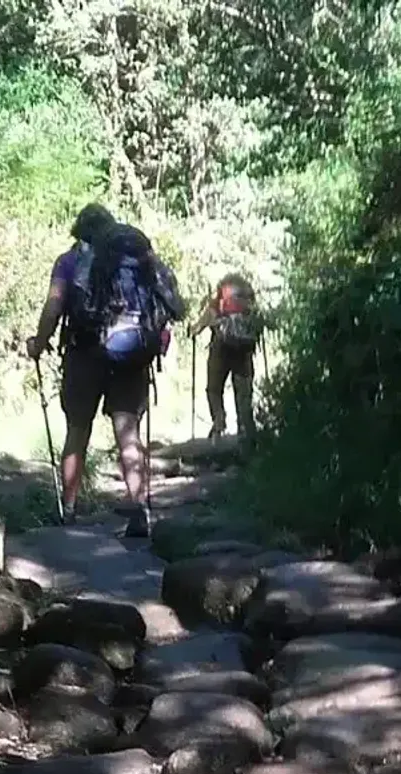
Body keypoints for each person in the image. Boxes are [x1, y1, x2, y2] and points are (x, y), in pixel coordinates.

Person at [26, 203, 186, 537]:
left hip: (85, 353)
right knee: (128, 435)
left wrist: (39, 343)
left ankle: (68, 509)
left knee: (77, 430)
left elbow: (55, 304)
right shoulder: (137, 260)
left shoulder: (69, 262)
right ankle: (140, 508)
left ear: (79, 233)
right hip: (132, 354)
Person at [188, 271, 264, 441]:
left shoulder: (217, 303)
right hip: (243, 351)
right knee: (243, 392)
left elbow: (200, 325)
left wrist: (193, 329)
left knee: (214, 389)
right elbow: (258, 323)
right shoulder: (248, 301)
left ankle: (219, 421)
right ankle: (245, 430)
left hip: (220, 349)